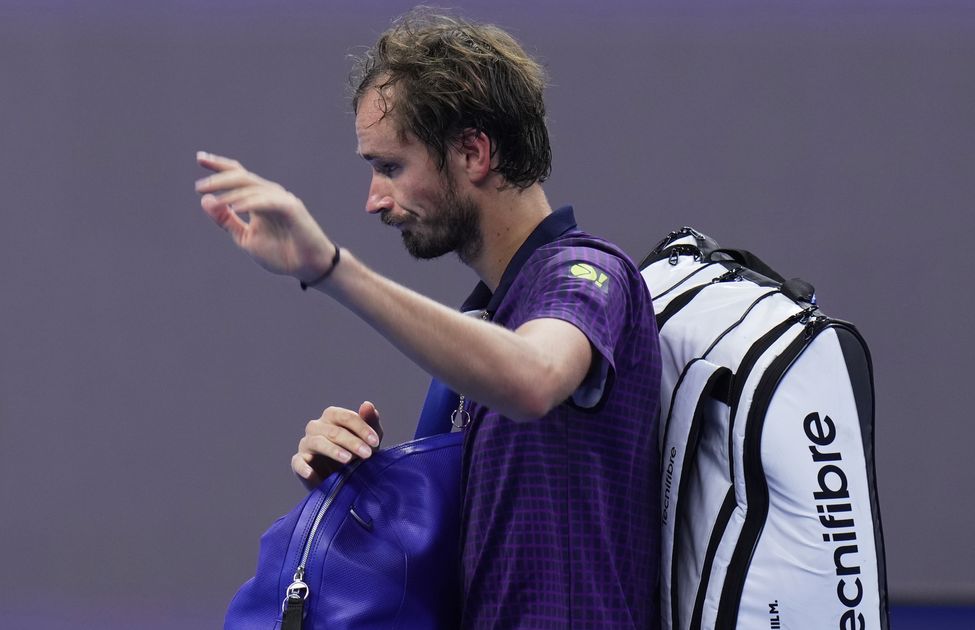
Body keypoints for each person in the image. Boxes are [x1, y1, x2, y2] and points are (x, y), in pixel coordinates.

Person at [194, 10, 661, 630]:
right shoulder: (485, 322)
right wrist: (363, 486)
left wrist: (331, 268)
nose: (373, 200)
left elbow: (533, 378)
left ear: (472, 152)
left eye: (390, 167)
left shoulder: (584, 273)